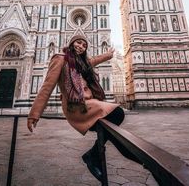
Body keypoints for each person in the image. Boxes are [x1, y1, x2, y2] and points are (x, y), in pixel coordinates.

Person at [27, 34, 127, 181]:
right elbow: (47, 87)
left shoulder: (81, 63)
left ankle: (94, 155)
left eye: (84, 45)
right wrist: (34, 114)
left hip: (89, 104)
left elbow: (93, 61)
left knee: (113, 122)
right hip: (77, 107)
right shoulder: (60, 59)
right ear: (72, 42)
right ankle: (97, 155)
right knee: (117, 113)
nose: (81, 46)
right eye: (79, 43)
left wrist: (109, 55)